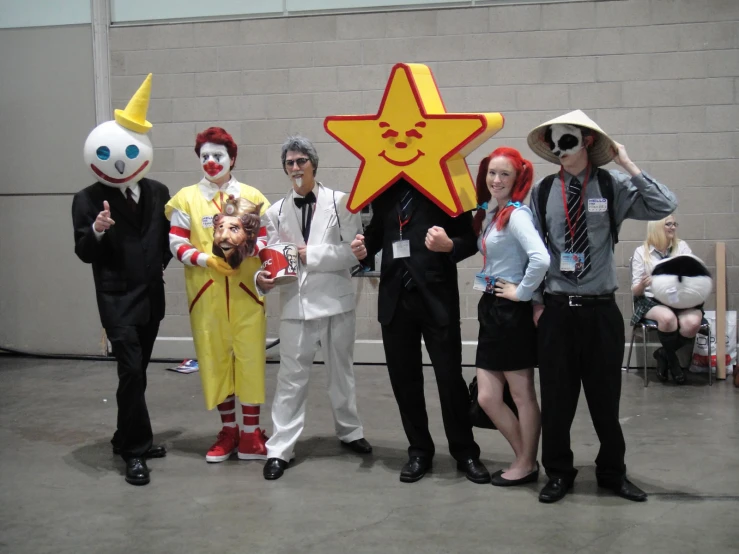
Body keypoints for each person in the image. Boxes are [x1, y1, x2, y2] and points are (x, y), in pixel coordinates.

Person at [527, 110, 677, 503]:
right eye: (554, 143)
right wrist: (538, 303)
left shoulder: (613, 186)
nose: (560, 150)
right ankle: (558, 473)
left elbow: (664, 204)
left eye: (568, 141)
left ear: (588, 142)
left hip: (600, 311)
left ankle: (612, 472)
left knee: (605, 399)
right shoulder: (543, 191)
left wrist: (627, 163)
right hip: (558, 310)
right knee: (557, 399)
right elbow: (535, 252)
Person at [351, 179, 490, 485]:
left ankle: (465, 452)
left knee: (450, 378)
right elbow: (376, 235)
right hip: (394, 298)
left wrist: (450, 245)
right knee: (404, 380)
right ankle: (419, 451)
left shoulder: (446, 186)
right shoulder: (384, 188)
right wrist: (363, 248)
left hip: (436, 298)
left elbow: (470, 238)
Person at [72, 74, 171, 486]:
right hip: (116, 302)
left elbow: (168, 240)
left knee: (138, 372)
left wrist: (158, 266)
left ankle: (122, 435)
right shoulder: (87, 199)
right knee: (130, 371)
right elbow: (84, 252)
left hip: (151, 298)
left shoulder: (159, 190)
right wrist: (96, 229)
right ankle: (135, 451)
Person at [256, 136, 372, 480]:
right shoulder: (274, 211)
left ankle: (350, 431)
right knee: (290, 380)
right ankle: (280, 449)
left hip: (336, 301)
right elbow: (275, 260)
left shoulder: (340, 202)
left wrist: (312, 255)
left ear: (313, 164)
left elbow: (354, 253)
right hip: (295, 304)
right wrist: (264, 279)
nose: (295, 167)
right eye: (289, 162)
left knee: (341, 373)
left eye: (300, 161)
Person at [165, 127, 271, 463]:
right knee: (215, 361)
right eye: (205, 156)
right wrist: (206, 258)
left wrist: (250, 250)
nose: (211, 162)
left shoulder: (252, 197)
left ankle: (252, 434)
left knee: (251, 360)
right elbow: (176, 243)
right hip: (206, 294)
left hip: (246, 293)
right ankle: (229, 430)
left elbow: (269, 237)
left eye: (218, 156)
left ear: (232, 158)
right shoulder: (186, 198)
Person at [471, 147, 549, 487]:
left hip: (510, 310)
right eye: (492, 173)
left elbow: (540, 258)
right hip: (490, 307)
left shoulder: (518, 215)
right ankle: (525, 458)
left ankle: (526, 462)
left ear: (518, 178)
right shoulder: (495, 213)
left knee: (521, 394)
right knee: (487, 396)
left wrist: (523, 292)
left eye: (505, 174)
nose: (496, 179)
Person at [631, 215, 700, 384]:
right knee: (667, 319)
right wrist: (642, 284)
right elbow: (635, 290)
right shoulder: (642, 252)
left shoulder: (681, 247)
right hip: (652, 300)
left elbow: (693, 274)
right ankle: (674, 364)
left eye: (674, 224)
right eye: (668, 224)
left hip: (680, 299)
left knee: (692, 323)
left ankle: (663, 354)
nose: (673, 227)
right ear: (657, 227)